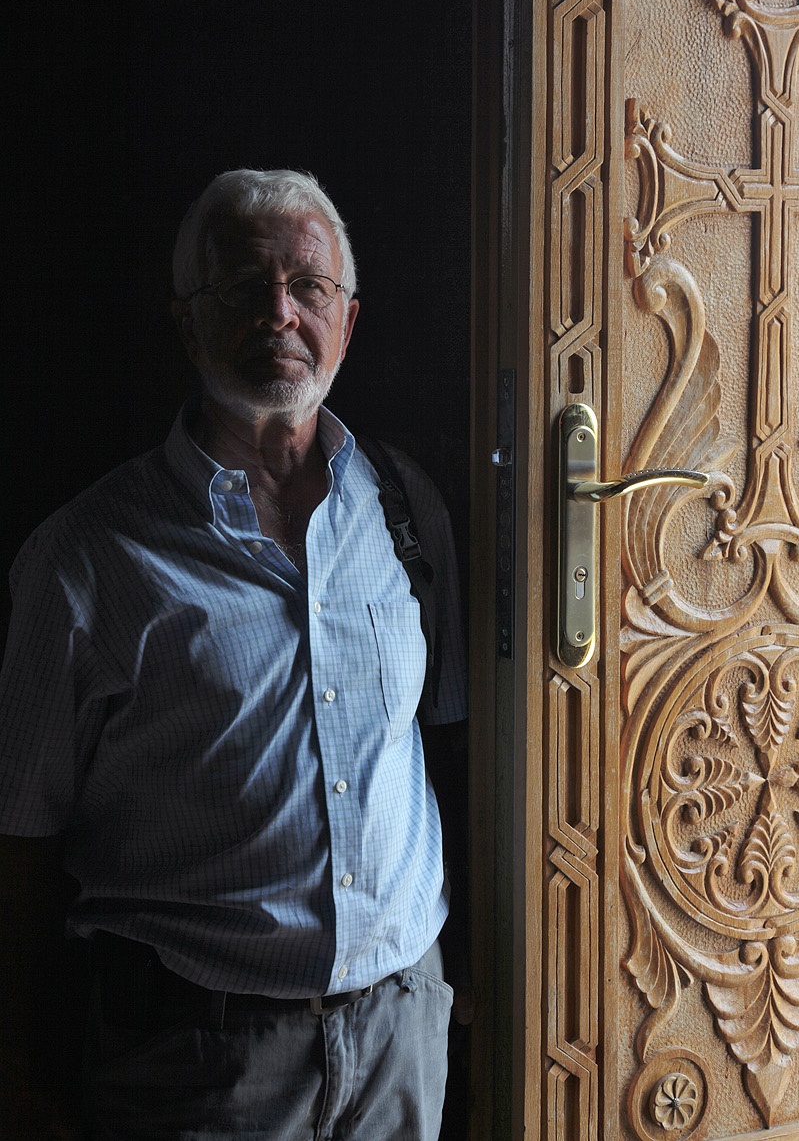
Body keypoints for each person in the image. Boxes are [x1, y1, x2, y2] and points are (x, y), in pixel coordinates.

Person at [0, 169, 469, 1141]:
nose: (281, 313)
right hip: (192, 1068)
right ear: (187, 320)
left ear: (349, 317)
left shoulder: (405, 511)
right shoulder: (82, 560)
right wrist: (17, 1074)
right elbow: (19, 840)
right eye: (245, 287)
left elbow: (445, 762)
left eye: (309, 288)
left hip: (399, 1038)